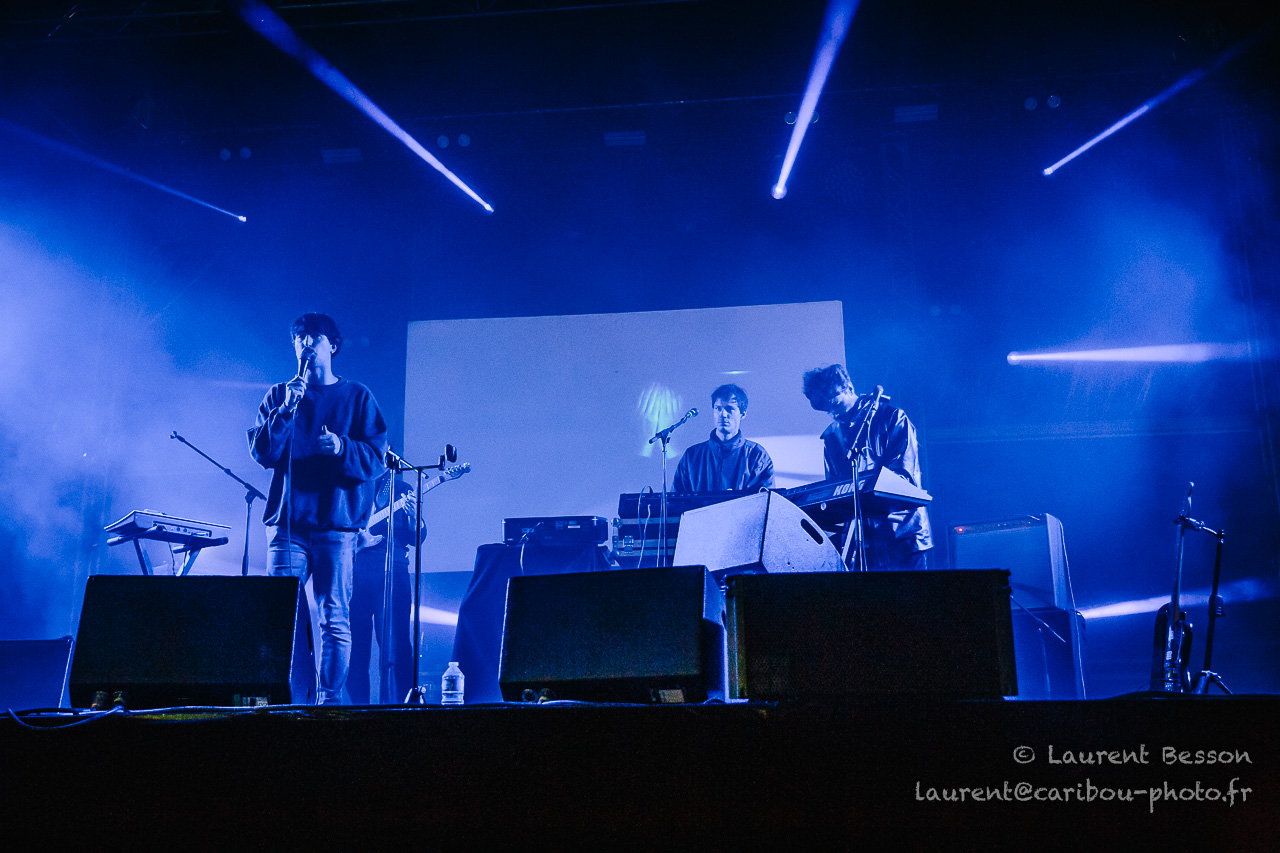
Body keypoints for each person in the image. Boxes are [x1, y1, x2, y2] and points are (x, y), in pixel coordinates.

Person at [248, 312, 388, 705]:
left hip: (335, 527)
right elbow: (263, 453)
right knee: (278, 617)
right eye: (299, 338)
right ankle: (277, 701)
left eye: (314, 337)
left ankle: (329, 702)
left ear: (333, 346)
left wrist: (342, 447)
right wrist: (287, 408)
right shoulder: (279, 394)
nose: (305, 343)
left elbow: (377, 459)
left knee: (334, 618)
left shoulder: (357, 396)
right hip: (288, 527)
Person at [802, 364, 932, 570]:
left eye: (835, 404)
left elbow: (904, 478)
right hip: (865, 544)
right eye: (827, 410)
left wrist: (865, 488)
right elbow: (835, 490)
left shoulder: (892, 418)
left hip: (903, 535)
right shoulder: (832, 436)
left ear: (848, 388)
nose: (834, 413)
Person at [348, 469, 424, 705]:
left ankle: (400, 707)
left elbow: (417, 537)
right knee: (354, 649)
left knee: (395, 646)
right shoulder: (353, 483)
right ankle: (355, 710)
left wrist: (413, 518)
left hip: (393, 571)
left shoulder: (401, 488)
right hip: (355, 572)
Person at [673, 384, 774, 494]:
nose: (723, 414)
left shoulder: (757, 455)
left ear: (743, 414)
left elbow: (765, 500)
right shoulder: (692, 455)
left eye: (730, 409)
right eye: (718, 408)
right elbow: (676, 499)